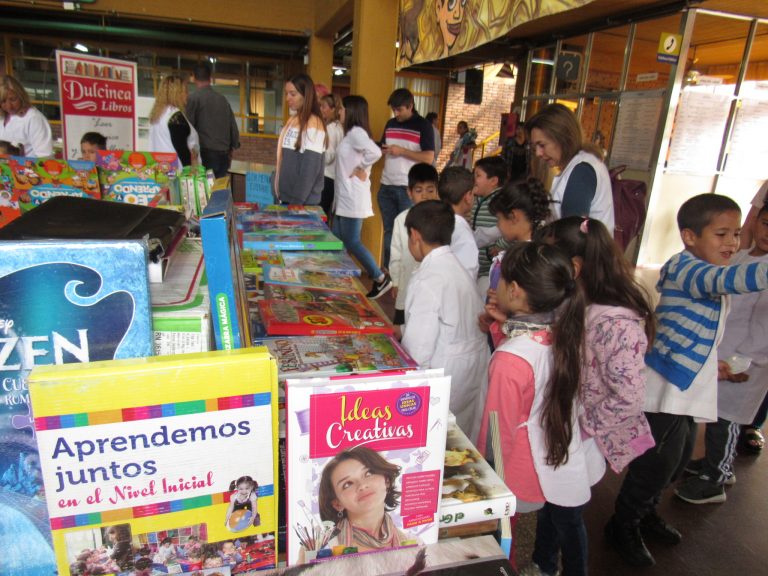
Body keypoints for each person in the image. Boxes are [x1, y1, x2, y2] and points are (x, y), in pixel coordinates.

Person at [606, 194, 768, 568]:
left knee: (676, 462)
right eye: (722, 234)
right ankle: (622, 524)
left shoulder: (702, 263)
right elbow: (735, 279)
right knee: (655, 463)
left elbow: (697, 331)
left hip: (686, 383)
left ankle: (645, 513)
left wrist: (717, 366)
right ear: (690, 237)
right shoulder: (689, 268)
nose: (732, 242)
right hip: (665, 387)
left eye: (735, 233)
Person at [476, 242, 605, 576]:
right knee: (535, 524)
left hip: (514, 468)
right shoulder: (564, 332)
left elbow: (497, 432)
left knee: (501, 533)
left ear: (515, 291)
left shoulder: (510, 361)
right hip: (551, 453)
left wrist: (483, 480)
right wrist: (501, 327)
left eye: (501, 281)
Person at [535, 216, 656, 475]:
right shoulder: (577, 303)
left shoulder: (617, 326)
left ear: (574, 268)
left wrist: (582, 427)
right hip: (569, 425)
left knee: (567, 508)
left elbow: (629, 397)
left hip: (586, 435)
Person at [676, 200, 768, 504]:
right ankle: (713, 464)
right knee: (715, 417)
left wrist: (746, 359)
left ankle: (717, 477)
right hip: (722, 354)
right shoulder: (739, 256)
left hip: (749, 362)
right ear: (755, 222)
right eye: (766, 223)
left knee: (727, 421)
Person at [401, 200, 489, 441]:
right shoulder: (455, 266)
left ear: (415, 235)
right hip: (469, 367)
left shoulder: (428, 278)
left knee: (435, 436)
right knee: (459, 438)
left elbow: (417, 350)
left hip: (444, 372)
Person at [332, 95, 389, 300]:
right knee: (337, 241)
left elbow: (375, 151)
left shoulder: (356, 133)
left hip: (352, 199)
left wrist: (360, 167)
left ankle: (380, 277)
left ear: (351, 111)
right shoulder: (351, 134)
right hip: (345, 198)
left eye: (342, 109)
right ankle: (338, 279)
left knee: (352, 241)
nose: (339, 112)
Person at [526, 103, 614, 234]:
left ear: (562, 138)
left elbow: (572, 232)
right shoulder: (576, 165)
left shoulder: (582, 170)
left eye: (542, 145)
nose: (538, 153)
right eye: (535, 147)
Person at [316, 447, 413, 555]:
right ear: (337, 504)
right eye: (347, 484)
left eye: (368, 473)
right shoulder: (320, 549)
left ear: (387, 480)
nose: (362, 486)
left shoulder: (414, 544)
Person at [378, 88, 435, 268]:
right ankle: (388, 272)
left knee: (407, 234)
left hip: (408, 189)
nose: (396, 113)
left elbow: (428, 157)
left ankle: (404, 275)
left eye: (399, 109)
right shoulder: (390, 123)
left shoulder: (423, 125)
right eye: (394, 109)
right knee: (389, 233)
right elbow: (381, 147)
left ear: (410, 106)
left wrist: (402, 151)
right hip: (386, 185)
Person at [390, 163, 439, 327]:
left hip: (431, 291)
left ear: (437, 190)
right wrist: (395, 282)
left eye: (430, 190)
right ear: (409, 193)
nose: (425, 195)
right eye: (419, 191)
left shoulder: (443, 219)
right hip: (405, 286)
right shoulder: (401, 220)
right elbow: (395, 254)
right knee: (401, 329)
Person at [275, 73, 326, 205]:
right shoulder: (293, 120)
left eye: (293, 94)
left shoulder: (314, 124)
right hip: (287, 197)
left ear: (306, 95)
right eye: (287, 94)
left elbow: (311, 168)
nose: (288, 99)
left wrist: (296, 202)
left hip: (302, 202)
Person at [186, 62, 240, 178]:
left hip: (206, 154)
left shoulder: (193, 98)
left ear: (194, 78)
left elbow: (188, 128)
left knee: (205, 191)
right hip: (224, 154)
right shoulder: (222, 99)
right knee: (219, 191)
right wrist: (233, 147)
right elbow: (232, 126)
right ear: (210, 78)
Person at [471, 156, 511, 291]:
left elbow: (513, 225)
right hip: (476, 264)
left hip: (491, 266)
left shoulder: (502, 199)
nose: (473, 179)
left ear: (493, 181)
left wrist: (501, 245)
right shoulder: (475, 198)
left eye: (478, 175)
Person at [437, 166, 479, 280]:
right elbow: (466, 278)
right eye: (473, 194)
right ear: (468, 197)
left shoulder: (434, 221)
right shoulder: (463, 234)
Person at [149, 75, 199, 168]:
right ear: (177, 93)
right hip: (177, 172)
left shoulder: (158, 114)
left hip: (160, 168)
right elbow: (183, 152)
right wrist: (190, 172)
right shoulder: (175, 117)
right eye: (185, 92)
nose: (187, 95)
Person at [0, 75, 53, 158]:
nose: (9, 106)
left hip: (25, 168)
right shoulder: (3, 116)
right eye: (3, 101)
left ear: (21, 96)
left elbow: (44, 157)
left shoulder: (34, 118)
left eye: (13, 99)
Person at [319, 93, 344, 219]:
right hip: (334, 178)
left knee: (321, 216)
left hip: (327, 176)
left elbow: (329, 156)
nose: (321, 109)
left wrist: (317, 155)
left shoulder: (330, 128)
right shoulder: (339, 126)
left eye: (324, 106)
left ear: (333, 109)